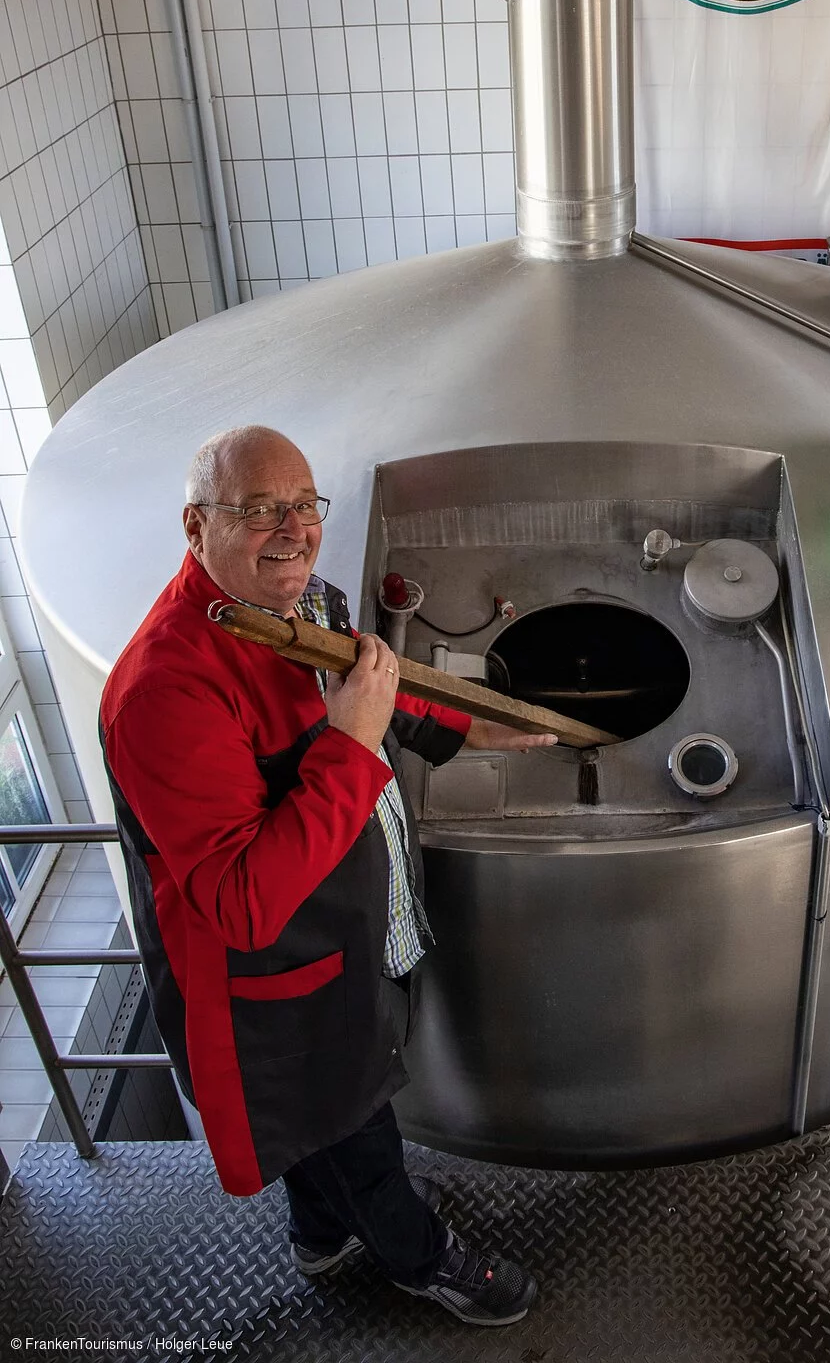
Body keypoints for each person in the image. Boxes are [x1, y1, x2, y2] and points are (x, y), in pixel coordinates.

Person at [100, 425, 554, 1327]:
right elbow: (244, 901)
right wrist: (349, 741)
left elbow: (372, 682)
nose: (293, 528)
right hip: (274, 990)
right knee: (356, 1131)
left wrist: (464, 724)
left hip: (342, 941)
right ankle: (425, 1261)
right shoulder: (167, 690)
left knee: (324, 1133)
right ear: (196, 527)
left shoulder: (308, 602)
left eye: (305, 503)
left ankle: (319, 1236)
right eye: (259, 509)